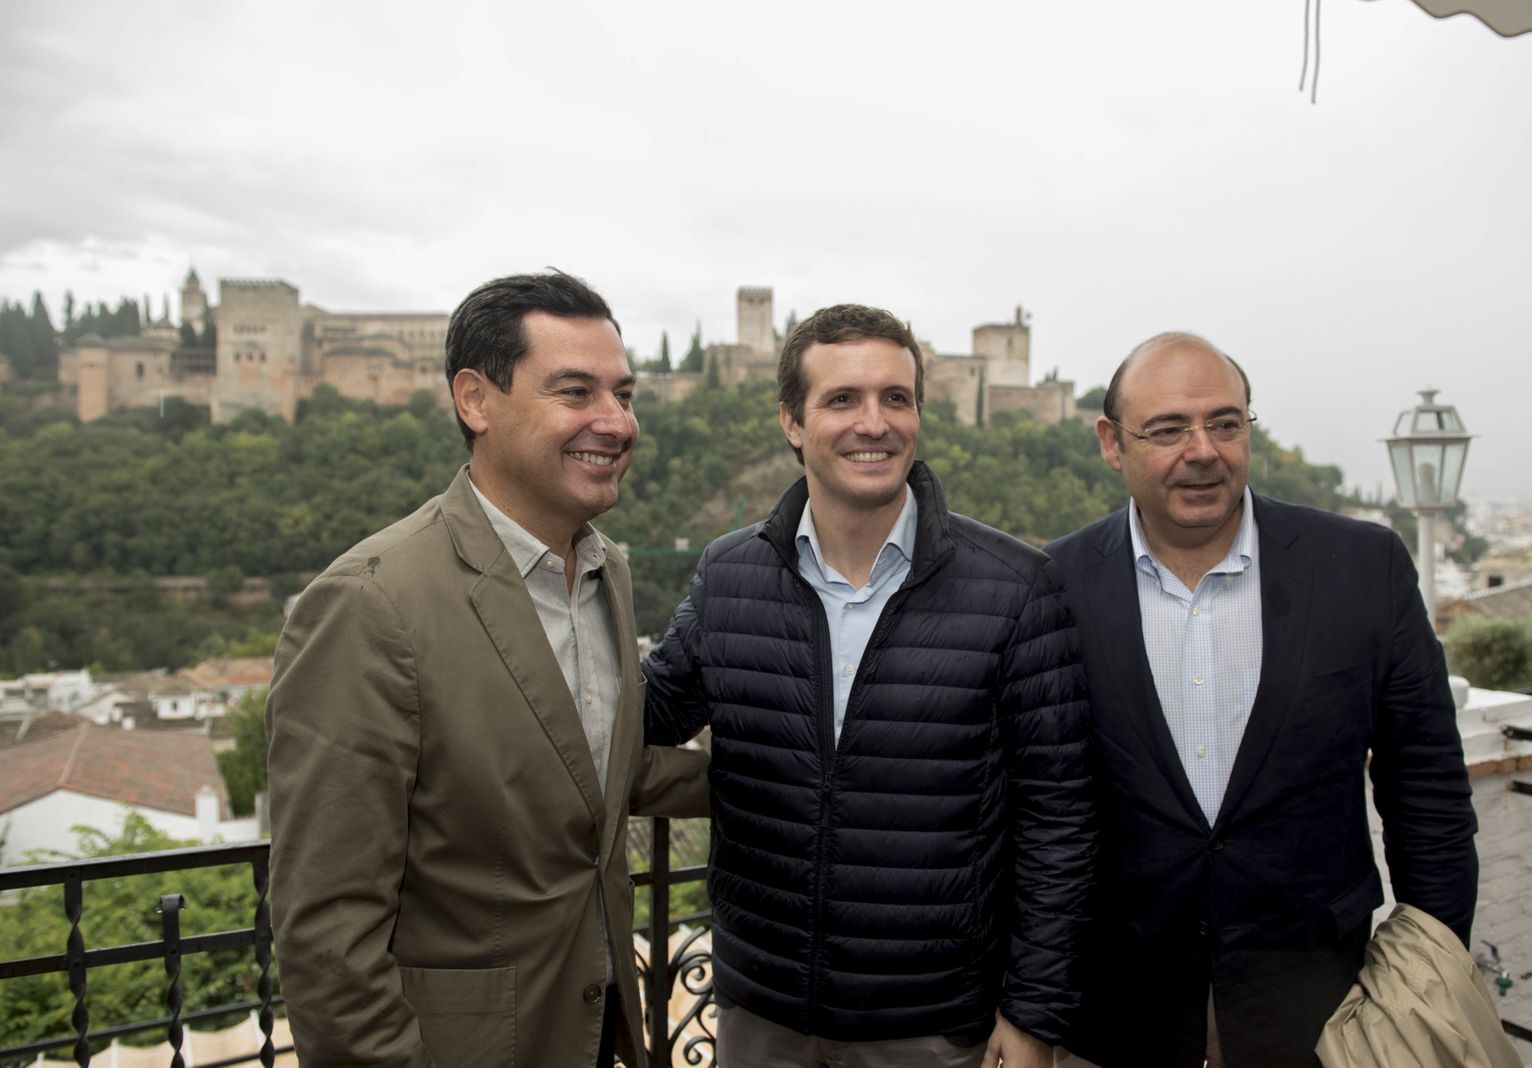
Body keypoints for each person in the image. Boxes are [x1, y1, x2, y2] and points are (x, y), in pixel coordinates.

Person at [267, 271, 710, 1068]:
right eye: (576, 392)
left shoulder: (607, 572)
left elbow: (592, 770)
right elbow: (327, 933)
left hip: (599, 1031)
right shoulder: (369, 604)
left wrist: (809, 772)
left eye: (625, 394)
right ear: (475, 400)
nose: (615, 422)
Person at [644, 303, 1096, 1068]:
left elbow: (1060, 821)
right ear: (792, 421)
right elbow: (649, 710)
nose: (874, 423)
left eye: (896, 398)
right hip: (766, 1013)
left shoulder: (1019, 588)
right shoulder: (731, 575)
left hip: (930, 1024)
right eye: (842, 399)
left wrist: (1033, 1016)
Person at [1043, 332, 1478, 1067]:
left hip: (1325, 1011)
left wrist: (1426, 981)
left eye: (1225, 422)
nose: (1203, 449)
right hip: (1118, 1014)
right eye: (1169, 429)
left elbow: (1427, 792)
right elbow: (1029, 813)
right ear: (1111, 444)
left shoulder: (1363, 569)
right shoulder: (1050, 585)